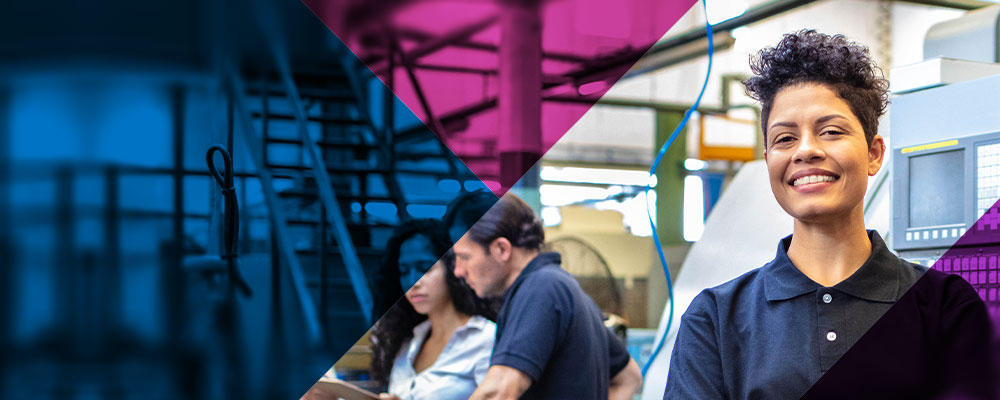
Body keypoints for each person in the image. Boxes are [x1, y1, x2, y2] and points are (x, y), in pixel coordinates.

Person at [663, 30, 994, 399]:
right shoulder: (715, 320)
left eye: (831, 131)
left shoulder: (946, 308)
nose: (805, 150)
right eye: (785, 139)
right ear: (769, 159)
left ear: (874, 154)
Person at [451, 194, 643, 400]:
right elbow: (629, 377)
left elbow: (499, 390)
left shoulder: (539, 288)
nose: (458, 271)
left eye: (464, 257)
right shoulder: (569, 290)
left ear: (501, 249)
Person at [370, 219, 500, 400]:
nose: (413, 282)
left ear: (453, 268)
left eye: (425, 268)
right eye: (404, 271)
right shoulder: (407, 343)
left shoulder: (485, 339)